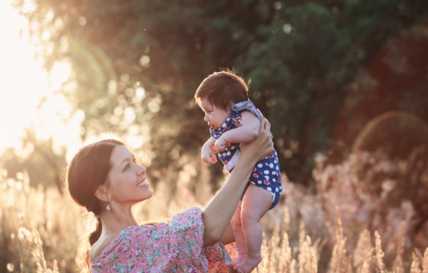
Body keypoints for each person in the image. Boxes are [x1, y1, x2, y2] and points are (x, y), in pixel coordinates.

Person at [66, 116, 274, 272]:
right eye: (126, 167)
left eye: (135, 161)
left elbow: (225, 228)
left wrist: (254, 156)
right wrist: (246, 161)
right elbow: (208, 231)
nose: (141, 169)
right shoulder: (114, 247)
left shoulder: (148, 234)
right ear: (102, 191)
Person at [194, 70, 282, 273]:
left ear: (230, 105)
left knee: (248, 216)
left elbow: (252, 131)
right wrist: (207, 148)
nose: (206, 117)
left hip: (264, 182)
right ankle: (242, 254)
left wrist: (226, 138)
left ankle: (253, 255)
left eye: (208, 111)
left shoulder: (245, 112)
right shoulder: (221, 127)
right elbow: (211, 140)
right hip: (246, 183)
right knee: (236, 220)